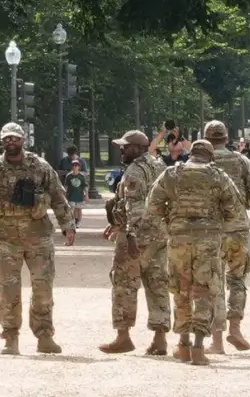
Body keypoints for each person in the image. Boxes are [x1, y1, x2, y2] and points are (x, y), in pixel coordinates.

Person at [0, 122, 77, 356]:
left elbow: (57, 196)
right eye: (7, 139)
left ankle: (44, 336)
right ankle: (10, 337)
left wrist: (67, 226)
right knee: (8, 290)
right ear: (2, 142)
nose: (11, 142)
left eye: (15, 138)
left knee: (43, 288)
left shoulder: (40, 167)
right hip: (6, 239)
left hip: (38, 237)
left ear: (23, 140)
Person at [145, 140, 240, 366]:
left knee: (181, 290)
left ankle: (183, 343)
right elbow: (234, 209)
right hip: (208, 240)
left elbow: (153, 205)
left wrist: (172, 219)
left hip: (178, 239)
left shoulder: (171, 174)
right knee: (205, 291)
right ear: (210, 156)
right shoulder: (218, 176)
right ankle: (199, 346)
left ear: (190, 154)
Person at [98, 130, 169, 356]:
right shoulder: (159, 166)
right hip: (159, 235)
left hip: (137, 238)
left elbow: (136, 207)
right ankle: (160, 338)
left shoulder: (134, 171)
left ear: (138, 148)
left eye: (125, 147)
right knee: (157, 284)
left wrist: (130, 235)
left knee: (124, 284)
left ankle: (123, 336)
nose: (121, 149)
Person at [203, 119, 250, 353]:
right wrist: (241, 205)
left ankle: (216, 341)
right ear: (226, 138)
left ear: (206, 138)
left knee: (213, 283)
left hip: (210, 230)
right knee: (237, 279)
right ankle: (235, 328)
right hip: (237, 228)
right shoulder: (241, 160)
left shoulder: (199, 163)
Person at [65, 160, 88, 227]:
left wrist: (86, 195)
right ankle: (73, 221)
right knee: (72, 209)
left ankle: (78, 221)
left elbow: (85, 186)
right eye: (73, 165)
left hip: (79, 195)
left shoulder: (81, 176)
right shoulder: (69, 176)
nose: (75, 167)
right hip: (71, 195)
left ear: (79, 167)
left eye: (76, 165)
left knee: (79, 209)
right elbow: (66, 186)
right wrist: (64, 194)